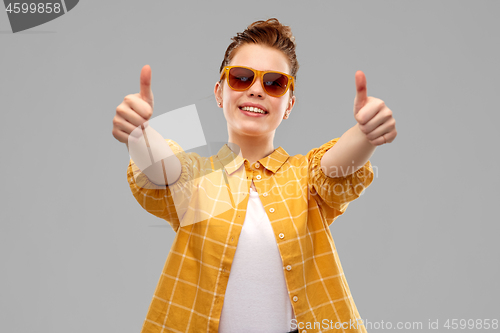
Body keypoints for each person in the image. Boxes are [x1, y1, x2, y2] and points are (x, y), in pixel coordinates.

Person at [112, 18, 397, 333]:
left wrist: (365, 134)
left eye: (275, 83)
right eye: (241, 78)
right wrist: (139, 134)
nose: (257, 90)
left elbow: (335, 167)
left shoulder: (305, 178)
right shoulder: (198, 179)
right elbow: (164, 171)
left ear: (289, 104)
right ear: (220, 93)